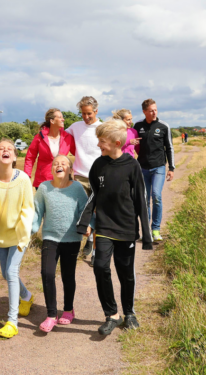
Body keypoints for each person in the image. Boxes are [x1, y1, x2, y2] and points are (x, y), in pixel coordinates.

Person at [77, 119, 151, 336]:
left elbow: (140, 200)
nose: (99, 145)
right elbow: (94, 196)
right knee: (100, 266)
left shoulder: (132, 165)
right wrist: (84, 222)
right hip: (105, 227)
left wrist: (146, 234)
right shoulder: (98, 165)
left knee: (126, 273)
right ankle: (112, 315)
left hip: (126, 227)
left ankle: (129, 313)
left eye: (102, 141)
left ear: (117, 143)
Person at [0, 138, 36, 339]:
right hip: (1, 233)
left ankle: (12, 322)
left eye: (9, 149)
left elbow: (28, 208)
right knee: (6, 274)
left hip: (19, 234)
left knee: (12, 272)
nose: (5, 151)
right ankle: (27, 296)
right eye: (0, 149)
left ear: (14, 156)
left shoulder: (23, 179)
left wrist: (24, 233)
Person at [31, 155, 89, 332]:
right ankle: (50, 315)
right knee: (47, 273)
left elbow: (85, 210)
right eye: (56, 163)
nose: (59, 165)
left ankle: (68, 309)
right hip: (50, 238)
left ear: (70, 170)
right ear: (51, 170)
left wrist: (87, 226)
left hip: (72, 239)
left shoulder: (77, 188)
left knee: (67, 275)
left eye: (64, 163)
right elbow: (37, 212)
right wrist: (30, 231)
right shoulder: (44, 188)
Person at [65, 96, 102, 265]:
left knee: (97, 214)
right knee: (79, 213)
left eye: (89, 114)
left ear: (96, 111)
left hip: (98, 176)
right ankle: (77, 246)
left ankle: (94, 251)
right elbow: (60, 137)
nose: (86, 117)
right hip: (79, 175)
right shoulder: (75, 127)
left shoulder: (102, 128)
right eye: (83, 114)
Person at [133, 98, 174, 242]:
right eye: (151, 110)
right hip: (142, 168)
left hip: (159, 167)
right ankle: (146, 231)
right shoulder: (137, 126)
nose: (154, 112)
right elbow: (130, 144)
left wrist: (171, 168)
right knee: (144, 200)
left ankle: (156, 229)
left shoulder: (164, 126)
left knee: (156, 195)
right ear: (144, 111)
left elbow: (169, 148)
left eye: (155, 109)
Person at [23, 108, 76, 188]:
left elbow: (78, 154)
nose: (63, 119)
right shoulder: (39, 137)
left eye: (62, 117)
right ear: (52, 121)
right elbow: (30, 158)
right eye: (60, 117)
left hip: (62, 179)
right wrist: (27, 176)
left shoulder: (68, 137)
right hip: (43, 181)